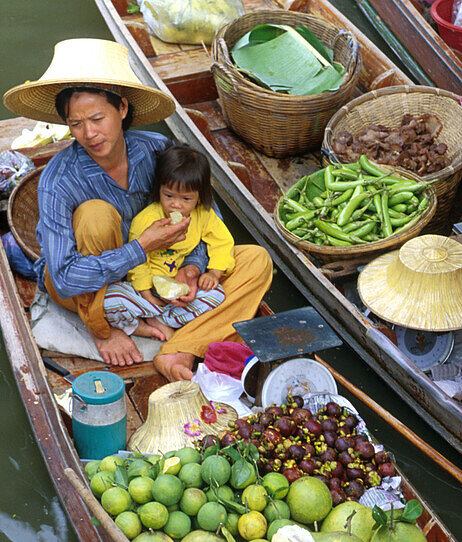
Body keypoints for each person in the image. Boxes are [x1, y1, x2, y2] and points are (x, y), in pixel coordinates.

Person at [3, 38, 272, 379]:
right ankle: (105, 327)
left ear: (123, 109)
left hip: (159, 274)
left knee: (256, 260)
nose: (88, 133)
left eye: (98, 118)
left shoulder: (158, 150)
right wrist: (141, 247)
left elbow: (207, 219)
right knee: (95, 215)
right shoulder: (59, 179)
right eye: (76, 124)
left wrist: (192, 268)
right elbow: (65, 278)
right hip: (91, 291)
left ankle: (180, 348)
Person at [103, 144, 232, 341]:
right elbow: (138, 262)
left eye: (186, 198)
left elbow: (222, 241)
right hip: (144, 291)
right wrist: (147, 294)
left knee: (217, 295)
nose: (176, 204)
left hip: (179, 289)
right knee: (110, 299)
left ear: (199, 198)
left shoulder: (204, 216)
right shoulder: (147, 220)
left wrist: (214, 272)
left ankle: (161, 320)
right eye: (168, 195)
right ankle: (138, 326)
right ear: (159, 190)